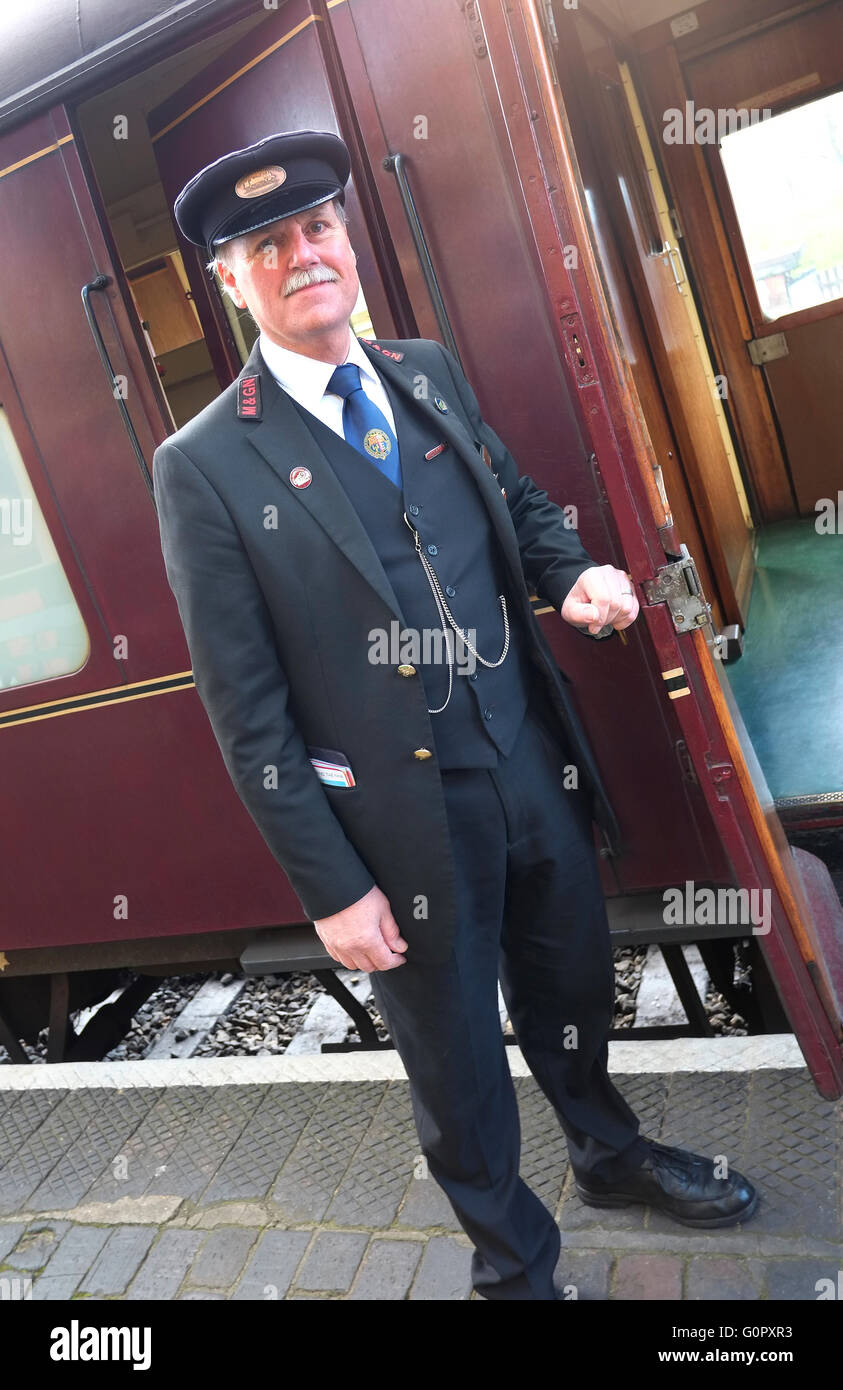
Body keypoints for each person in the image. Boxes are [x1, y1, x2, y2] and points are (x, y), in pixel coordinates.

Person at [153, 129, 758, 1301]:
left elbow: (514, 497)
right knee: (457, 1056)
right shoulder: (205, 463)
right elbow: (248, 710)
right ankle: (513, 1265)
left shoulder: (424, 367)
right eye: (265, 245)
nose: (302, 255)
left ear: (351, 245)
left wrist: (566, 569)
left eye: (317, 228)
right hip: (398, 818)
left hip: (527, 755)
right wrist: (331, 889)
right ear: (233, 282)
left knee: (574, 980)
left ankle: (608, 1154)